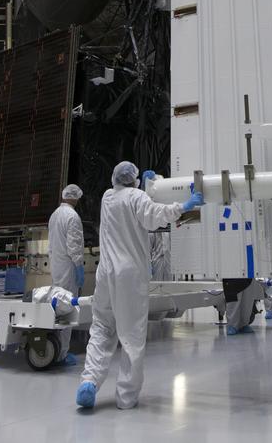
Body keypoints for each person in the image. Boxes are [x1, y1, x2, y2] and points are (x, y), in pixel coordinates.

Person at [77, 162, 203, 410]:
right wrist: (186, 205)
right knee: (132, 336)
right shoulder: (137, 197)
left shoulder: (107, 196)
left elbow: (131, 206)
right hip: (129, 275)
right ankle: (126, 397)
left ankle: (89, 383)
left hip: (106, 274)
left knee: (101, 328)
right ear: (134, 180)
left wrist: (144, 187)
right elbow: (155, 216)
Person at [49, 184, 85, 295]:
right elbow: (73, 246)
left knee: (57, 300)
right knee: (68, 302)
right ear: (76, 198)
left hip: (56, 265)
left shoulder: (54, 215)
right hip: (68, 268)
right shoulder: (72, 216)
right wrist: (79, 266)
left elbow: (51, 244)